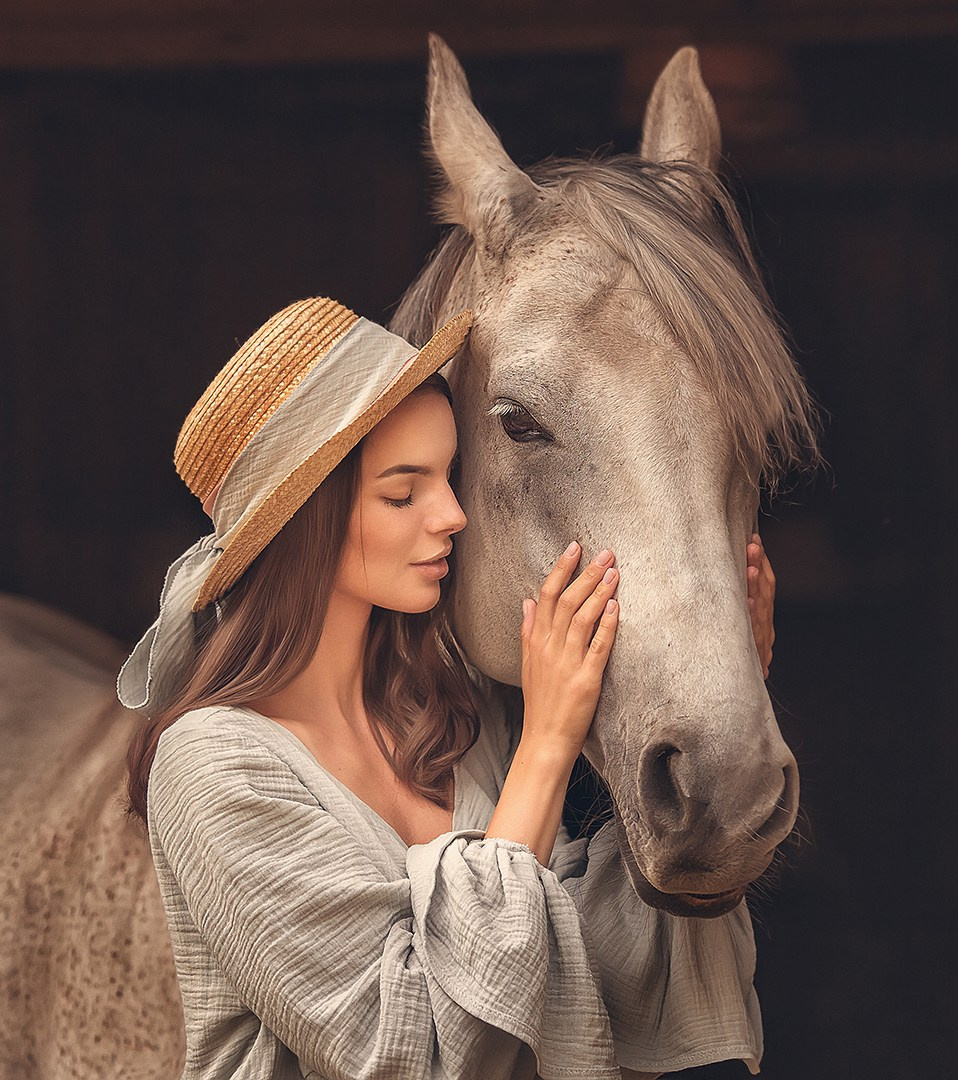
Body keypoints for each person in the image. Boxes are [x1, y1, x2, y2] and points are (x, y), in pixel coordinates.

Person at [120, 296, 776, 1080]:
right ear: (306, 523)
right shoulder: (212, 768)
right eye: (404, 493)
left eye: (449, 476)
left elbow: (589, 974)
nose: (454, 515)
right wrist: (546, 748)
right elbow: (414, 1055)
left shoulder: (446, 710)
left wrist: (725, 693)